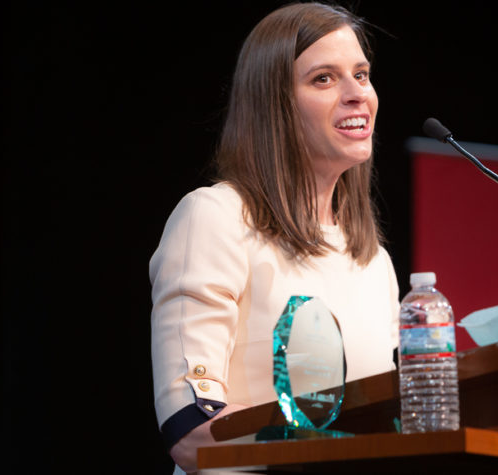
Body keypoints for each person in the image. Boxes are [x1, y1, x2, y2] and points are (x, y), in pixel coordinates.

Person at [149, 3, 399, 472]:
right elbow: (190, 431)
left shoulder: (375, 263)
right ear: (275, 104)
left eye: (361, 75)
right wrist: (332, 452)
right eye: (323, 79)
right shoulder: (216, 219)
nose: (356, 95)